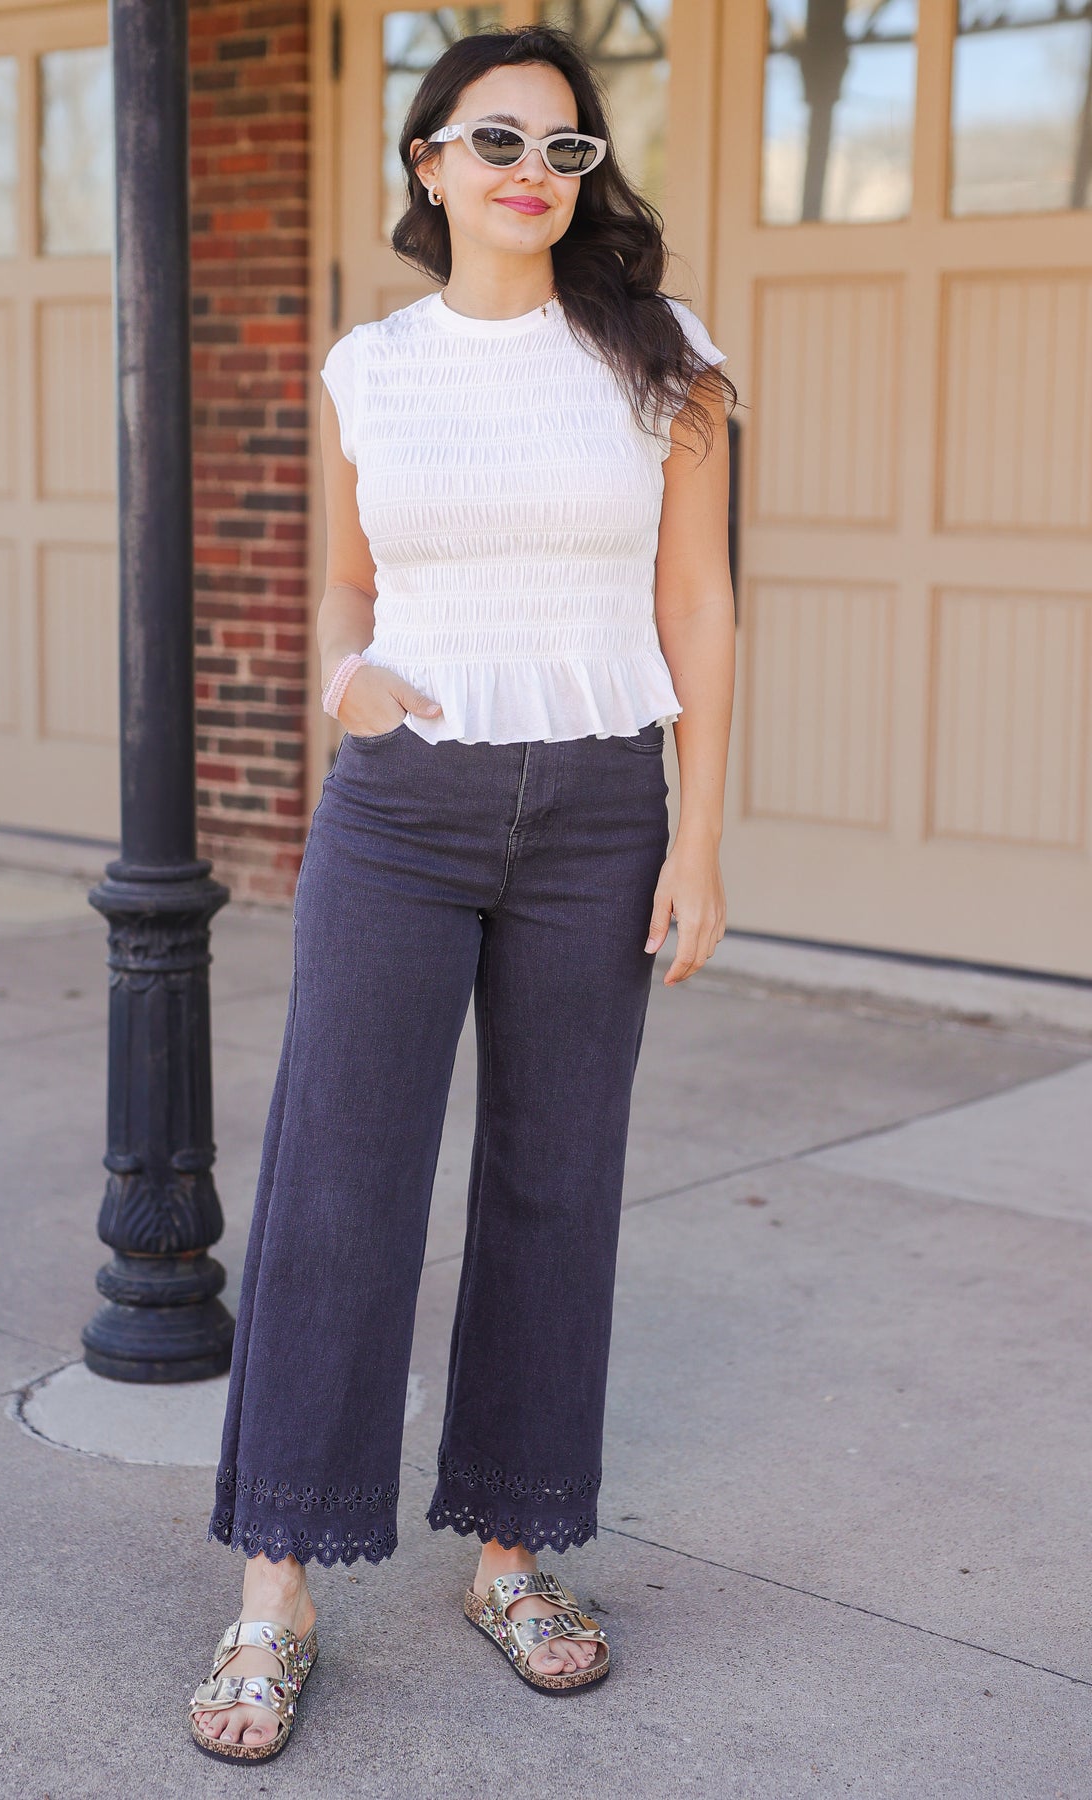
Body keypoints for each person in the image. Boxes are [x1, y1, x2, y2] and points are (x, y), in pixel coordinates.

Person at [188, 21, 737, 1763]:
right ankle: (275, 1594)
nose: (532, 171)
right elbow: (347, 583)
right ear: (426, 162)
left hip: (596, 809)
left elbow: (702, 611)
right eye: (496, 139)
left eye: (567, 150)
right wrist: (346, 676)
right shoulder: (373, 365)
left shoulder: (663, 362)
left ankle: (512, 1553)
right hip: (404, 806)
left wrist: (704, 837)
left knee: (555, 1183)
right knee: (338, 1187)